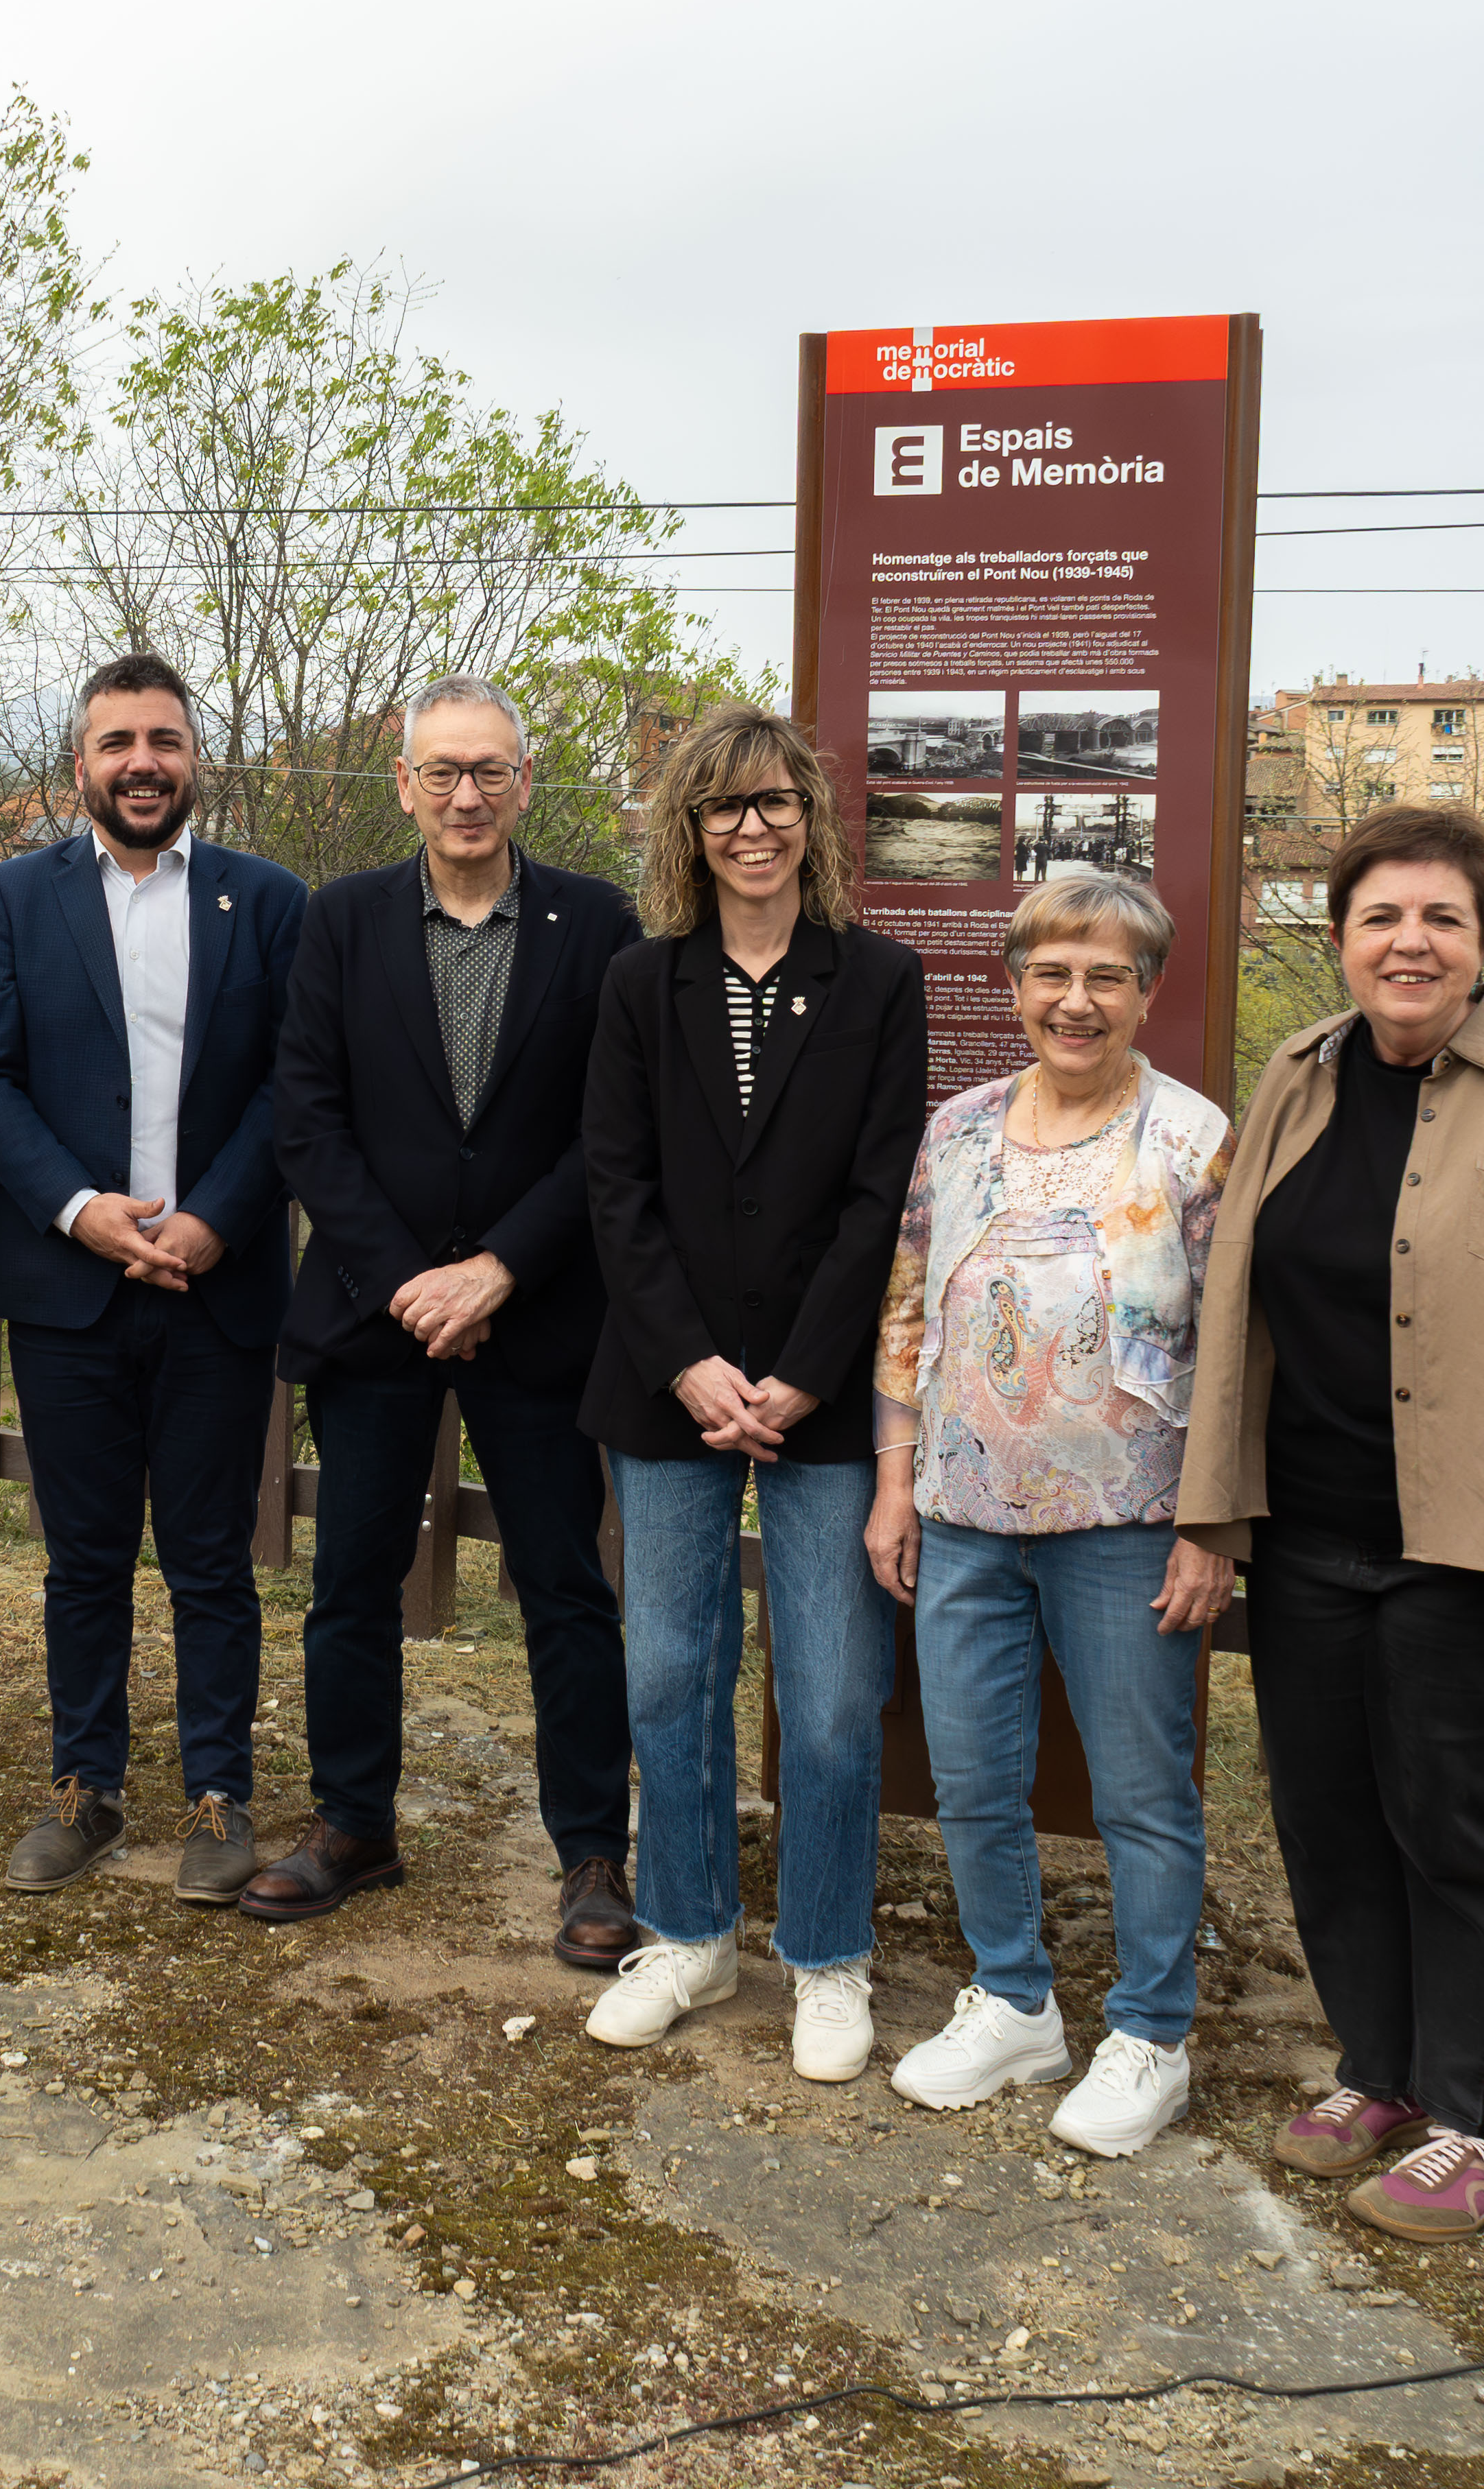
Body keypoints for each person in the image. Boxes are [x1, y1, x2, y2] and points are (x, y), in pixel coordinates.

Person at [1173, 801, 1484, 2241]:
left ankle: (1477, 2117)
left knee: (1462, 1833)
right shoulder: (1295, 1077)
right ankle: (1379, 2071)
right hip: (1316, 1534)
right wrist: (1215, 1515)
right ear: (1339, 941)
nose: (1410, 943)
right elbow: (1234, 1314)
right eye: (1381, 918)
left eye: (1440, 919)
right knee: (1331, 1821)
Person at [252, 676, 640, 1969]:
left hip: (537, 1319)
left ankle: (592, 1851)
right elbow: (306, 1116)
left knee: (565, 1588)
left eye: (489, 772)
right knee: (351, 1584)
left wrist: (496, 1274)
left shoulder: (597, 925)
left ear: (524, 782)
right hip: (376, 1317)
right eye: (441, 773)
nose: (466, 796)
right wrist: (415, 1279)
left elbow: (609, 1134)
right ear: (407, 785)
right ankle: (354, 1824)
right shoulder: (344, 920)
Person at [578, 705, 928, 2077]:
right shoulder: (636, 983)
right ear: (690, 831)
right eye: (725, 808)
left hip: (823, 1396)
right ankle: (688, 1933)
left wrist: (800, 1374)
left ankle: (827, 1957)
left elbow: (879, 1192)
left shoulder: (879, 981)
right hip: (666, 1387)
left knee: (834, 1695)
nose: (753, 828)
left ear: (813, 820)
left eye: (776, 803)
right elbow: (618, 1189)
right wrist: (688, 1361)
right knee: (671, 1674)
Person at [864, 879, 1233, 2158]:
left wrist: (1213, 1526)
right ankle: (1015, 1998)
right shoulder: (958, 1130)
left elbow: (1238, 1351)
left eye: (1109, 978)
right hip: (964, 1510)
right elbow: (908, 1304)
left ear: (1148, 994)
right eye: (1053, 975)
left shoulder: (1195, 1143)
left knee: (1139, 1789)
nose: (1077, 1002)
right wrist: (898, 1479)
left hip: (1131, 1523)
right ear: (1015, 987)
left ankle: (1151, 2031)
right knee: (972, 1776)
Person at [0, 652, 308, 1905]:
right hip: (69, 1285)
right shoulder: (17, 896)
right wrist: (81, 1209)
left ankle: (220, 1797)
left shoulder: (267, 901)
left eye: (164, 739)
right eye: (117, 743)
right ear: (81, 764)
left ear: (196, 758)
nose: (142, 762)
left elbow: (291, 1086)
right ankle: (85, 1788)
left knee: (211, 1555)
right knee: (84, 1555)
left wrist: (214, 1218)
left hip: (218, 1281)